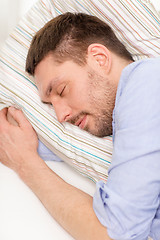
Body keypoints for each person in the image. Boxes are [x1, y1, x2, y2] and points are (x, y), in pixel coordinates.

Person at [0, 12, 159, 240]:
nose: (61, 115)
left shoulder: (147, 82)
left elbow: (117, 234)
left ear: (99, 58)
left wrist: (27, 165)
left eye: (62, 90)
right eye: (50, 104)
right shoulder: (118, 121)